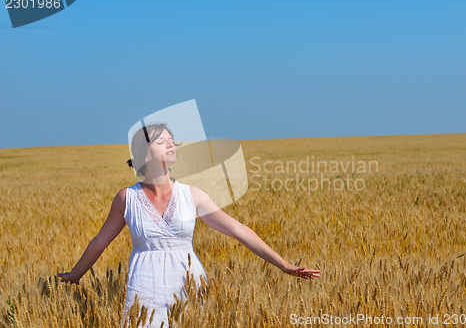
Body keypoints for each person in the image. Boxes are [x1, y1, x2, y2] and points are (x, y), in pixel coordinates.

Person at [57, 123, 320, 327]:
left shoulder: (192, 194)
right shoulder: (127, 198)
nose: (171, 146)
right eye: (162, 142)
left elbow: (238, 230)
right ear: (143, 153)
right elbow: (99, 242)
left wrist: (284, 265)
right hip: (144, 287)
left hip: (188, 282)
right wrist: (75, 275)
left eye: (172, 142)